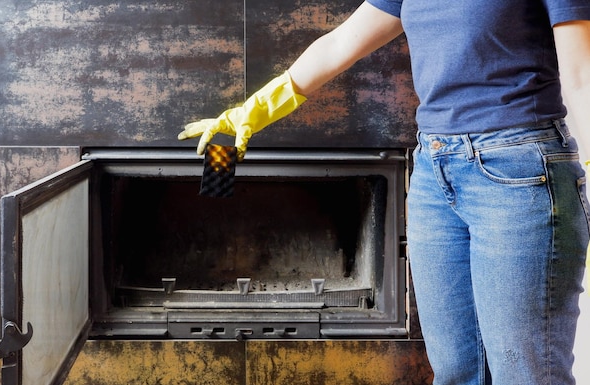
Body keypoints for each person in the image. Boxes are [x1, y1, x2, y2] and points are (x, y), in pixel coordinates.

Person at [179, 1, 590, 384]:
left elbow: (581, 75)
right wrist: (253, 110)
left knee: (526, 371)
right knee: (458, 370)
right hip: (434, 171)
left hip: (519, 170)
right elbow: (342, 43)